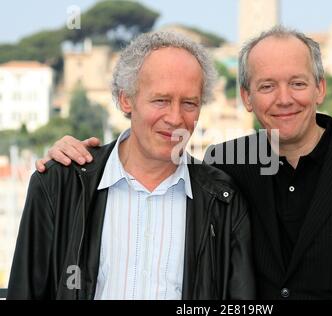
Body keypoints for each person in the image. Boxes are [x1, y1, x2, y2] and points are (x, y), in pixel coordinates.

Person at [35, 26, 332, 299]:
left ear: (320, 88)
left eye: (297, 83)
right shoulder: (224, 166)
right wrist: (74, 158)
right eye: (266, 86)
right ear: (247, 98)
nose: (284, 99)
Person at [8, 31, 255, 300]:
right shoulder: (58, 183)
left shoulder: (223, 200)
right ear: (126, 99)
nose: (175, 118)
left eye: (189, 103)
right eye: (161, 100)